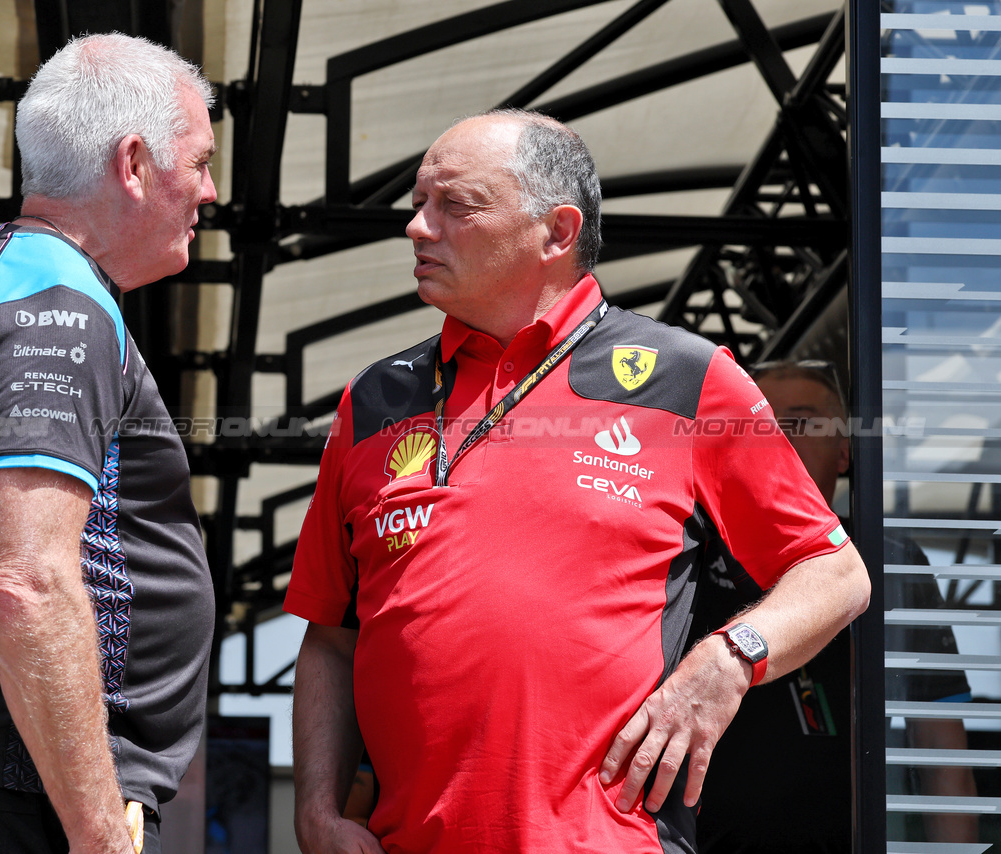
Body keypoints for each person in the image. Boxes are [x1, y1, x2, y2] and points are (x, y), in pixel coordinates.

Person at [284, 109, 871, 853]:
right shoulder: (372, 402)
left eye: (454, 206)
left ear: (557, 233)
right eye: (416, 206)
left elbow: (834, 572)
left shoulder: (687, 380)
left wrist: (727, 661)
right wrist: (316, 811)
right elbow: (330, 640)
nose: (417, 228)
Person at [0, 34, 217, 854]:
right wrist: (101, 829)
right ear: (134, 163)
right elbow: (30, 583)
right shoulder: (57, 300)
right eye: (202, 160)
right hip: (23, 798)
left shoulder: (15, 282)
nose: (210, 191)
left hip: (6, 788)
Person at [692, 361, 977, 852]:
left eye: (799, 423)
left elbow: (940, 748)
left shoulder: (890, 559)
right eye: (758, 424)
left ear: (845, 451)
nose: (776, 440)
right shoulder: (682, 552)